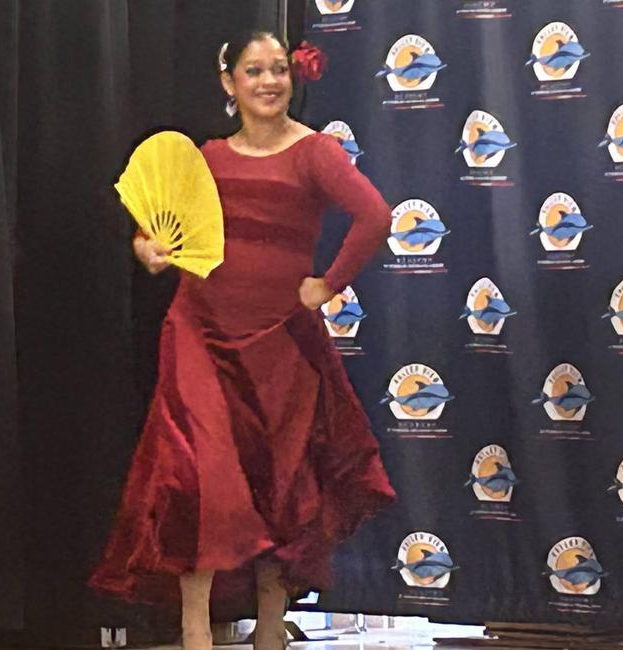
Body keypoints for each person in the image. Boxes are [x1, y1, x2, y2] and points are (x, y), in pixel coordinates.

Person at [88, 31, 397, 650]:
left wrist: (328, 284)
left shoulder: (316, 154)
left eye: (278, 69)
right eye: (253, 70)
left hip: (281, 341)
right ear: (229, 82)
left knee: (278, 478)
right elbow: (153, 236)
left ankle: (271, 625)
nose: (268, 81)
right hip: (199, 332)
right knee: (199, 476)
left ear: (293, 78)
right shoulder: (205, 157)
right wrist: (147, 249)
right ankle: (194, 625)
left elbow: (376, 217)